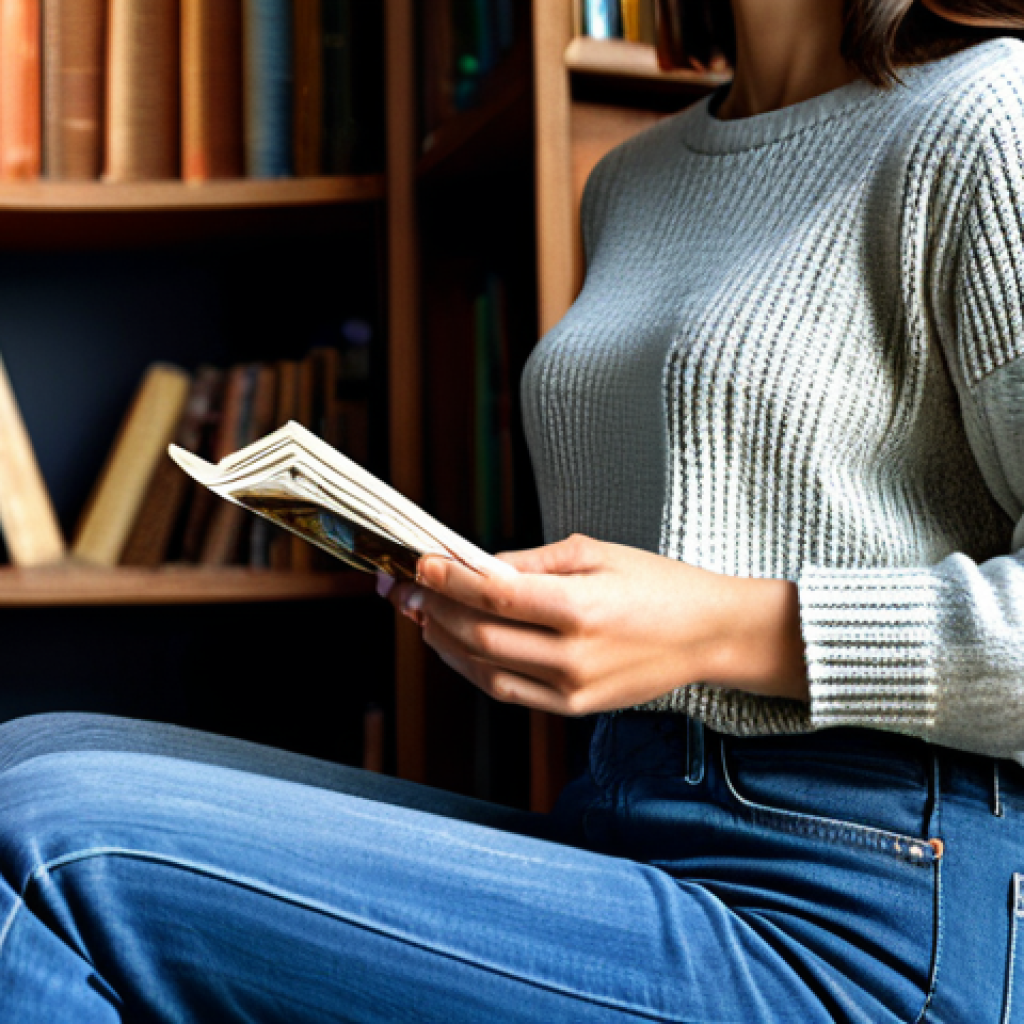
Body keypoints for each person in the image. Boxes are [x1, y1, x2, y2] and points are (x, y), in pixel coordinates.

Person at [4, 0, 1024, 1019]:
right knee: (23, 755)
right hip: (625, 817)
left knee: (51, 842)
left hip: (874, 907)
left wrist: (718, 625)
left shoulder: (989, 118)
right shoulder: (634, 177)